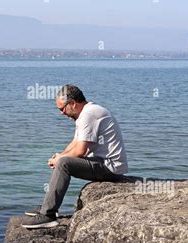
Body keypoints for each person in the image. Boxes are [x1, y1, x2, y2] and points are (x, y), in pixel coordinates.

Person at [21, 84, 129, 229]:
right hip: (101, 162)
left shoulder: (89, 114)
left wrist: (61, 160)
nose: (61, 113)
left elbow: (80, 151)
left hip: (110, 167)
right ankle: (48, 206)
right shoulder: (85, 114)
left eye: (62, 109)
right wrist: (59, 155)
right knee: (62, 161)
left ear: (72, 103)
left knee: (64, 164)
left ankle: (48, 215)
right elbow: (75, 143)